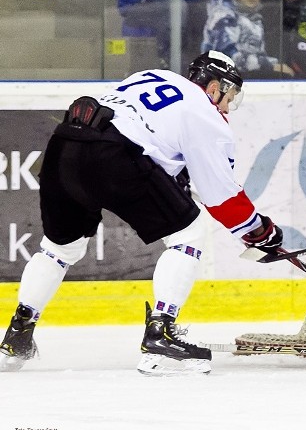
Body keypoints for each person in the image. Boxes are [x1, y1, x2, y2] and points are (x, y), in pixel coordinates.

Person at [0, 51, 286, 375]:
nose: (227, 107)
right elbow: (220, 196)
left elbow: (153, 142)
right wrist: (259, 232)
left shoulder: (153, 76)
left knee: (59, 249)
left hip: (65, 144)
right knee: (188, 235)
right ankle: (161, 334)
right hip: (114, 154)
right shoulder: (205, 114)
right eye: (228, 97)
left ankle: (18, 333)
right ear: (214, 87)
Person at [201, 0, 293, 78]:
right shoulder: (223, 16)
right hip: (220, 79)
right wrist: (269, 65)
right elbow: (225, 57)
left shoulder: (254, 18)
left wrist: (271, 64)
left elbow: (258, 54)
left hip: (248, 75)